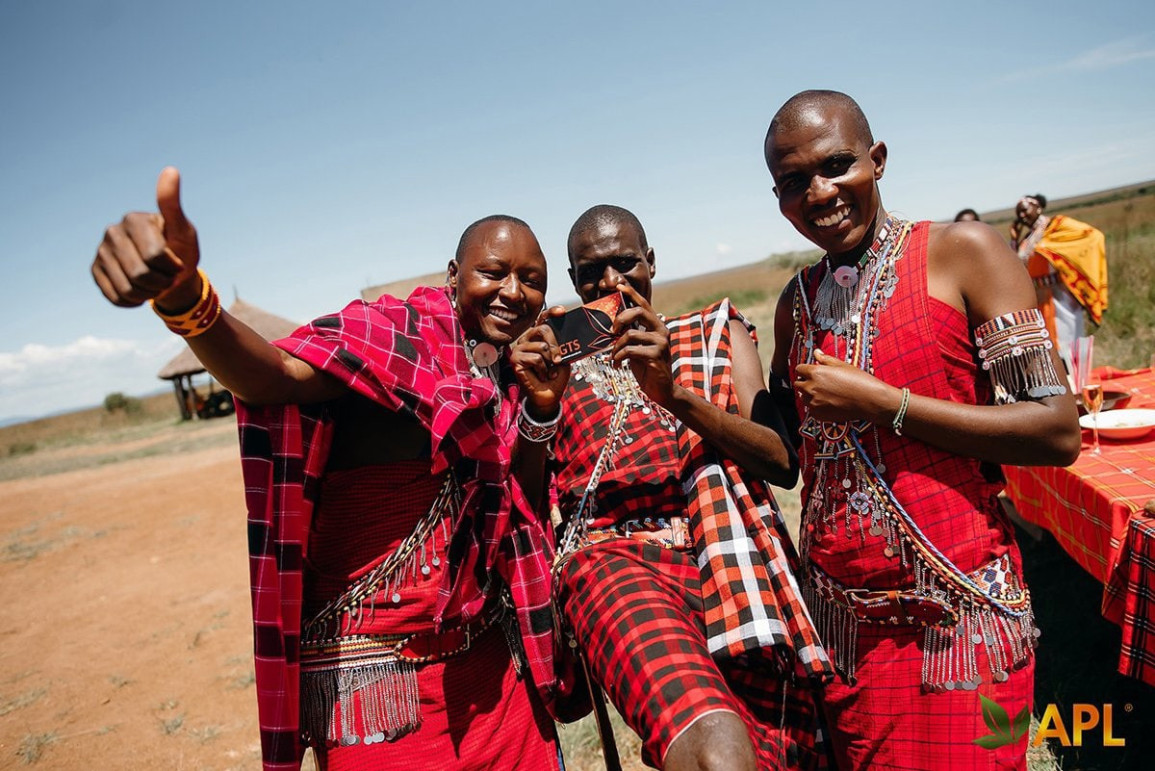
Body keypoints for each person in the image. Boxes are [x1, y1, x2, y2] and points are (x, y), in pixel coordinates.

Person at [91, 168, 567, 771]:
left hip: (496, 676)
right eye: (493, 272)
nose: (513, 292)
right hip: (381, 692)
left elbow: (521, 509)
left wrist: (540, 409)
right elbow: (275, 376)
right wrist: (188, 303)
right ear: (453, 275)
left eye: (532, 280)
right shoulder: (391, 336)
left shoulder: (507, 370)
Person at [762, 90, 1081, 770]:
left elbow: (1055, 430)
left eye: (837, 165)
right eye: (793, 182)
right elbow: (789, 454)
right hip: (848, 636)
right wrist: (673, 392)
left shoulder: (962, 253)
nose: (819, 193)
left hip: (958, 623)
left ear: (877, 159)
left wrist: (886, 404)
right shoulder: (796, 304)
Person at [511, 205, 834, 771]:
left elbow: (782, 462)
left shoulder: (711, 333)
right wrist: (540, 405)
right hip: (610, 569)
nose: (611, 283)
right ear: (574, 283)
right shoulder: (554, 370)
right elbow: (525, 504)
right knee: (713, 749)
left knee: (780, 747)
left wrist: (674, 392)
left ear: (652, 262)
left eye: (625, 263)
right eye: (591, 273)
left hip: (729, 566)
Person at [1009, 193, 1108, 360]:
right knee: (1049, 346)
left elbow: (1093, 235)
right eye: (1018, 213)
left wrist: (1068, 264)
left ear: (1038, 207)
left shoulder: (1057, 225)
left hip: (1061, 296)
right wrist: (1014, 239)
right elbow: (1015, 265)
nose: (1022, 215)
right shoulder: (1027, 239)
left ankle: (1075, 374)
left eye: (1025, 210)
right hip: (1040, 299)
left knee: (1068, 340)